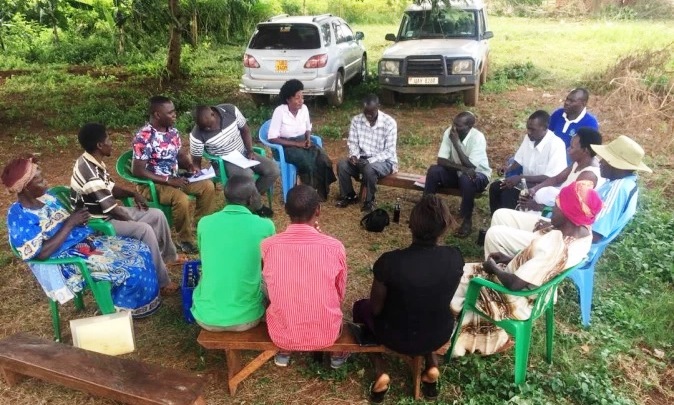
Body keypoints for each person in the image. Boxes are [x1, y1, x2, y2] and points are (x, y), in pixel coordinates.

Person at [451, 181, 602, 356]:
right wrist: (511, 258)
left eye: (557, 206)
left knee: (456, 279)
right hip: (537, 289)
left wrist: (492, 268)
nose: (553, 208)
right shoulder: (582, 234)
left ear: (569, 215)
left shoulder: (557, 248)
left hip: (519, 299)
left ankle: (457, 336)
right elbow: (536, 263)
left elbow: (514, 284)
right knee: (462, 272)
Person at [3, 156, 161, 317]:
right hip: (65, 262)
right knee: (131, 267)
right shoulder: (18, 216)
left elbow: (62, 224)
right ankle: (121, 310)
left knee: (140, 249)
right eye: (40, 179)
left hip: (84, 244)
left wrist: (77, 219)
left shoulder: (48, 199)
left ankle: (131, 303)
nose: (45, 181)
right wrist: (70, 223)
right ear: (26, 188)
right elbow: (42, 253)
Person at [352, 195, 464, 403]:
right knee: (426, 309)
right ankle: (431, 366)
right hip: (438, 332)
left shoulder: (389, 262)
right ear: (444, 227)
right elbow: (443, 297)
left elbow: (376, 310)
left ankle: (380, 371)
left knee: (361, 308)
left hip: (394, 335)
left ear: (411, 225)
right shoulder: (455, 257)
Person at [485, 135, 650, 256]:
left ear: (617, 165)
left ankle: (504, 278)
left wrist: (553, 229)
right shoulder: (616, 181)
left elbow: (595, 235)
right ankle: (511, 264)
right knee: (501, 215)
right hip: (565, 228)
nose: (600, 162)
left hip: (569, 245)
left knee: (495, 234)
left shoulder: (618, 189)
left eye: (606, 159)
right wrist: (552, 223)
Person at [71, 123, 180, 295]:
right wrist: (135, 220)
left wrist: (133, 194)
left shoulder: (92, 161)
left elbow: (112, 188)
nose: (111, 142)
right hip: (96, 223)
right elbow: (113, 210)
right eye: (108, 139)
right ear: (99, 145)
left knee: (156, 214)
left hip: (106, 213)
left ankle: (169, 257)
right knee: (144, 229)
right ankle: (162, 283)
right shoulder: (90, 174)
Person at [261, 185, 348, 368]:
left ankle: (284, 351)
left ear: (285, 210)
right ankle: (336, 356)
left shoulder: (268, 245)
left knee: (270, 285)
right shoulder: (334, 247)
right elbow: (339, 293)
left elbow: (271, 286)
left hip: (281, 333)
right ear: (318, 210)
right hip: (326, 332)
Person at [132, 95, 217, 254]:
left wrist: (190, 166)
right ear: (157, 115)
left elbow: (179, 155)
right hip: (152, 183)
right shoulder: (144, 137)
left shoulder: (172, 132)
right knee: (181, 199)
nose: (174, 115)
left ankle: (202, 228)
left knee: (207, 186)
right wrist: (167, 180)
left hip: (175, 177)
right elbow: (138, 170)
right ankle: (184, 239)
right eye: (170, 113)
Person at [191, 176, 275, 332]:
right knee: (269, 278)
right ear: (251, 199)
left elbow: (206, 256)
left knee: (208, 272)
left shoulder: (205, 222)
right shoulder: (265, 226)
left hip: (205, 317)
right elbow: (270, 265)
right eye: (257, 194)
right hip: (248, 318)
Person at [190, 104, 279, 217]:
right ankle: (258, 207)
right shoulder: (196, 134)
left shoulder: (230, 110)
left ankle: (247, 201)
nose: (207, 129)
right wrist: (196, 169)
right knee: (247, 175)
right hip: (223, 161)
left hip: (243, 153)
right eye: (203, 127)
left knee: (273, 170)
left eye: (209, 126)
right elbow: (196, 160)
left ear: (213, 114)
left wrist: (250, 151)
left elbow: (245, 130)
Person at [423, 111, 491, 237]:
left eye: (458, 126)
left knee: (467, 178)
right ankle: (425, 212)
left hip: (479, 176)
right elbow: (441, 160)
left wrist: (456, 143)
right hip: (459, 173)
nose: (454, 128)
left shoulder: (478, 138)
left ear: (469, 127)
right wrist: (461, 168)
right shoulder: (450, 132)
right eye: (454, 123)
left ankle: (466, 220)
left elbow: (470, 166)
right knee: (434, 170)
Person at [267, 79, 337, 200]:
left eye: (302, 97)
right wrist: (296, 144)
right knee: (307, 163)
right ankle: (306, 194)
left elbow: (307, 127)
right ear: (288, 99)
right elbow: (273, 138)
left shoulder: (304, 109)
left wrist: (308, 139)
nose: (301, 101)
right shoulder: (280, 111)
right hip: (284, 147)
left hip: (302, 141)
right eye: (297, 98)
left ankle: (321, 190)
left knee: (324, 160)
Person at [489, 110, 566, 215]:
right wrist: (508, 168)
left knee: (508, 194)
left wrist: (520, 178)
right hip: (525, 183)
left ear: (544, 127)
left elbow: (552, 178)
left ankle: (507, 225)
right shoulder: (529, 138)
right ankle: (495, 221)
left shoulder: (556, 144)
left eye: (532, 129)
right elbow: (519, 160)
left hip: (541, 188)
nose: (528, 132)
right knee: (495, 187)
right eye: (528, 128)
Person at [335, 94, 398, 213]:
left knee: (369, 169)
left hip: (384, 161)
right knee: (342, 165)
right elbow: (353, 142)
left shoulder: (389, 123)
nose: (368, 115)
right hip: (362, 159)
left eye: (371, 112)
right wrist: (354, 155)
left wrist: (369, 161)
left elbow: (389, 151)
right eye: (365, 112)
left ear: (378, 107)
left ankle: (369, 201)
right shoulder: (356, 120)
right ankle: (349, 196)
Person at [518, 127, 603, 212]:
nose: (568, 149)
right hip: (556, 205)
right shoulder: (581, 161)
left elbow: (572, 209)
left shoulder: (588, 176)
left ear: (585, 151)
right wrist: (534, 189)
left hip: (559, 214)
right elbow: (556, 179)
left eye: (572, 147)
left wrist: (539, 208)